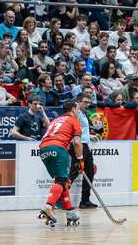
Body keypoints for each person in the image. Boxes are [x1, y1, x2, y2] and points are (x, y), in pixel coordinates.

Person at [37, 99, 85, 227]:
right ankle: (48, 206)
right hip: (58, 148)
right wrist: (80, 160)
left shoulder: (56, 120)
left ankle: (70, 212)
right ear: (73, 110)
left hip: (43, 149)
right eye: (78, 109)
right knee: (61, 181)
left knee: (63, 181)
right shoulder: (74, 120)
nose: (79, 112)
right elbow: (77, 142)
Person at [76, 93, 97, 210]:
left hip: (85, 144)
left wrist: (90, 136)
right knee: (74, 172)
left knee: (89, 172)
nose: (87, 104)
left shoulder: (84, 113)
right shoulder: (76, 113)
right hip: (79, 145)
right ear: (78, 102)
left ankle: (85, 200)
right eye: (85, 102)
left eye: (89, 102)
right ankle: (60, 199)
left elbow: (83, 130)